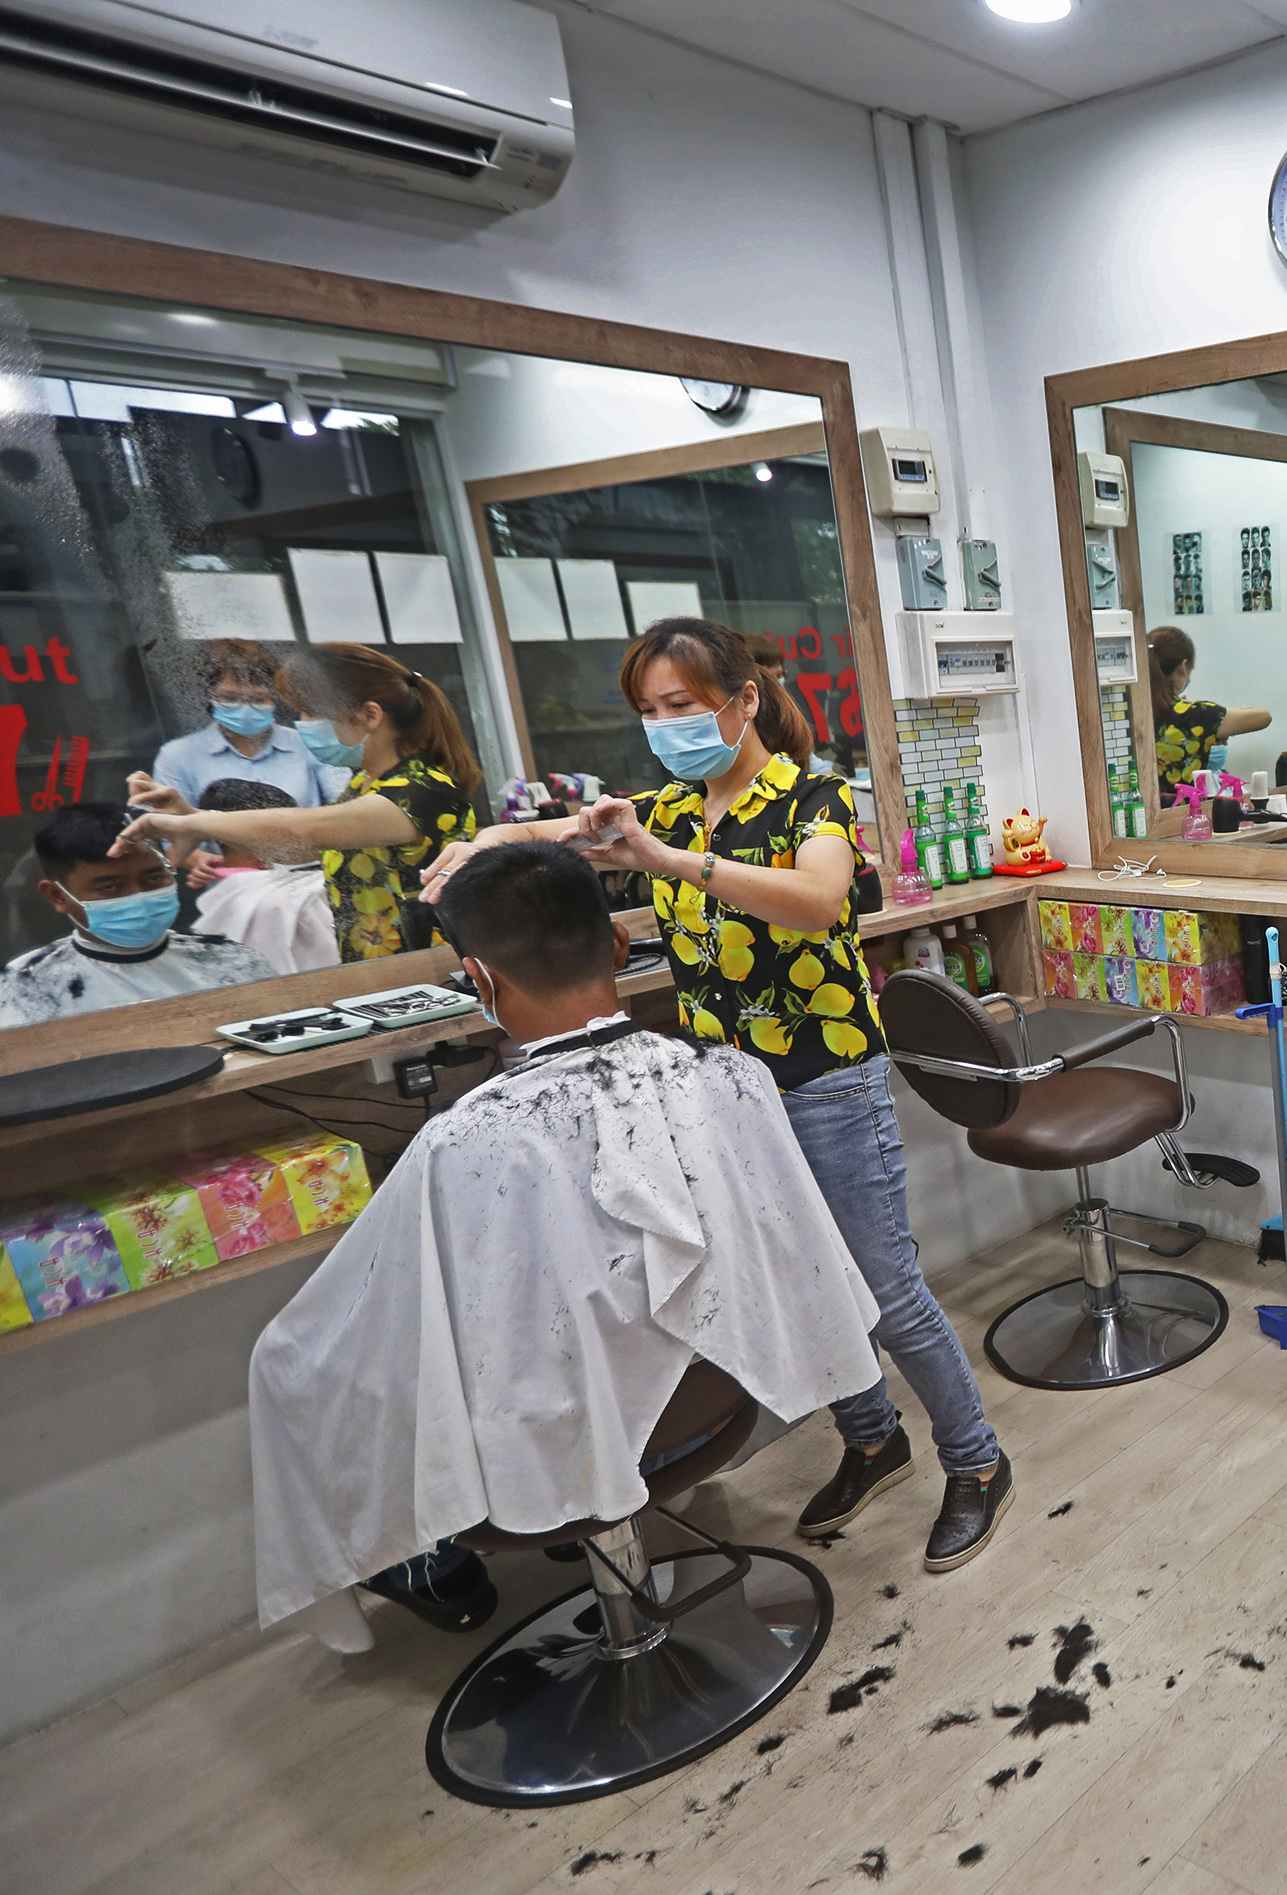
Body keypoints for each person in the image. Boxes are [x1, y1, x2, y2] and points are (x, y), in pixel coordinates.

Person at [420, 617, 1014, 1572]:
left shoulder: (814, 799)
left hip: (827, 1080)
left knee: (883, 1287)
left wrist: (666, 861)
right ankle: (872, 1439)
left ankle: (977, 1460)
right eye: (649, 711)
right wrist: (490, 837)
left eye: (682, 706)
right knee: (796, 1278)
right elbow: (557, 833)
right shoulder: (665, 805)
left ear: (744, 700)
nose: (665, 726)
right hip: (725, 1093)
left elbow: (819, 901)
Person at [250, 841, 888, 1634]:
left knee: (288, 1363)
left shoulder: (466, 1139)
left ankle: (442, 1562)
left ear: (479, 979)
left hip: (582, 1431)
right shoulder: (732, 1074)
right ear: (618, 944)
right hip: (721, 1389)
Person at [120, 642, 481, 963]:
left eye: (311, 712)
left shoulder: (420, 790)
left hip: (436, 969)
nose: (302, 724)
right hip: (385, 967)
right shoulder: (366, 782)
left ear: (370, 716)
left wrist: (193, 823)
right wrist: (194, 816)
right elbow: (294, 851)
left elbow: (304, 831)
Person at [0, 802, 277, 1027]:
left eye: (153, 879)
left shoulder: (233, 962)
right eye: (110, 887)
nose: (138, 895)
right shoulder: (26, 988)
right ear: (57, 896)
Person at [148, 639, 344, 810]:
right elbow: (171, 832)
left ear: (275, 697)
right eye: (230, 698)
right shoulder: (177, 757)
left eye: (258, 700)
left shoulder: (310, 744)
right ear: (210, 697)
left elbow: (346, 806)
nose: (245, 708)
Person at [189, 779, 337, 977]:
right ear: (222, 833)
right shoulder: (280, 900)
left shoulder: (314, 886)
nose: (291, 834)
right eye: (272, 826)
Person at [1146, 626, 1269, 804]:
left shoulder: (1137, 712)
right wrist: (1238, 711)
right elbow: (1264, 717)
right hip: (1188, 812)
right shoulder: (1197, 714)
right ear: (1183, 667)